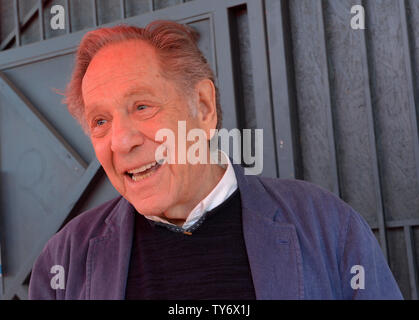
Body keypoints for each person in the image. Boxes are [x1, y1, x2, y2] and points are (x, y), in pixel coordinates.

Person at [28, 20, 402, 300]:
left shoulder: (328, 228)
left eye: (142, 106)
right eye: (100, 122)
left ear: (204, 108)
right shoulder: (63, 259)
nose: (121, 141)